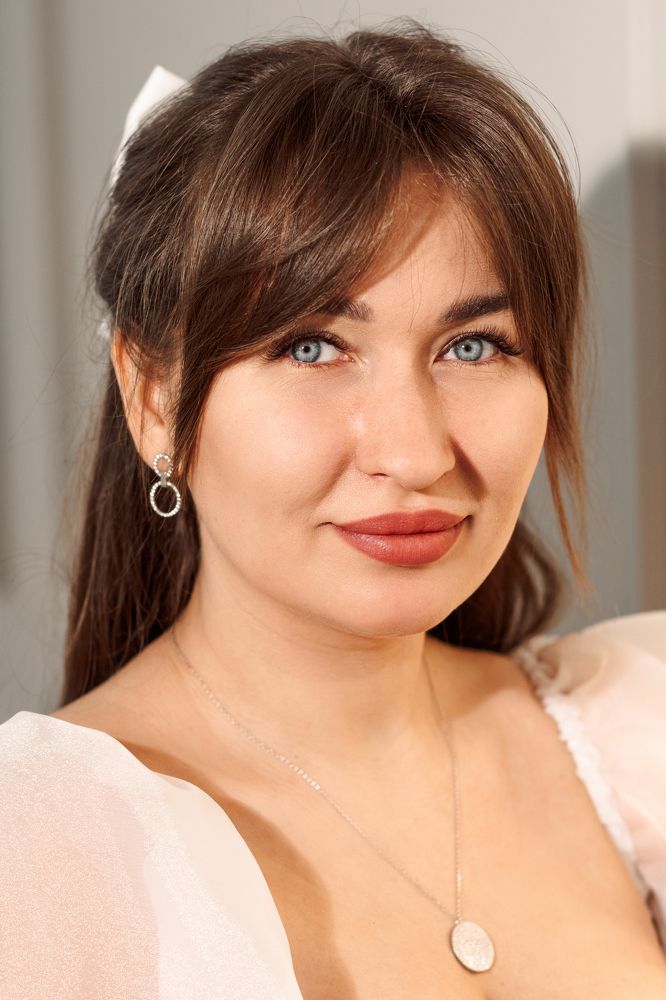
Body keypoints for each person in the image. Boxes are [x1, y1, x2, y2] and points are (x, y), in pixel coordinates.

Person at [1, 18, 665, 998]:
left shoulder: (638, 730)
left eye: (474, 345)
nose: (414, 452)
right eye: (311, 347)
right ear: (152, 399)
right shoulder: (40, 851)